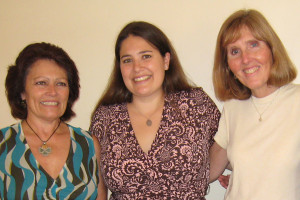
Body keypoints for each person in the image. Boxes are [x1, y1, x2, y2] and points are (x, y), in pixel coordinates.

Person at [90, 21, 220, 199]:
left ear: (166, 60)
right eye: (127, 60)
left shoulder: (196, 105)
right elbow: (97, 188)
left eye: (146, 56)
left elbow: (229, 148)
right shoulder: (105, 118)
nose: (137, 68)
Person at [209, 9, 300, 199]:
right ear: (227, 66)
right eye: (235, 51)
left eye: (253, 45)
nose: (245, 59)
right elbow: (207, 171)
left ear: (272, 50)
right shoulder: (232, 108)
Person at [1, 42, 102, 199]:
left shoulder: (88, 145)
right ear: (22, 91)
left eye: (61, 84)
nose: (52, 92)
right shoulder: (3, 145)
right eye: (41, 83)